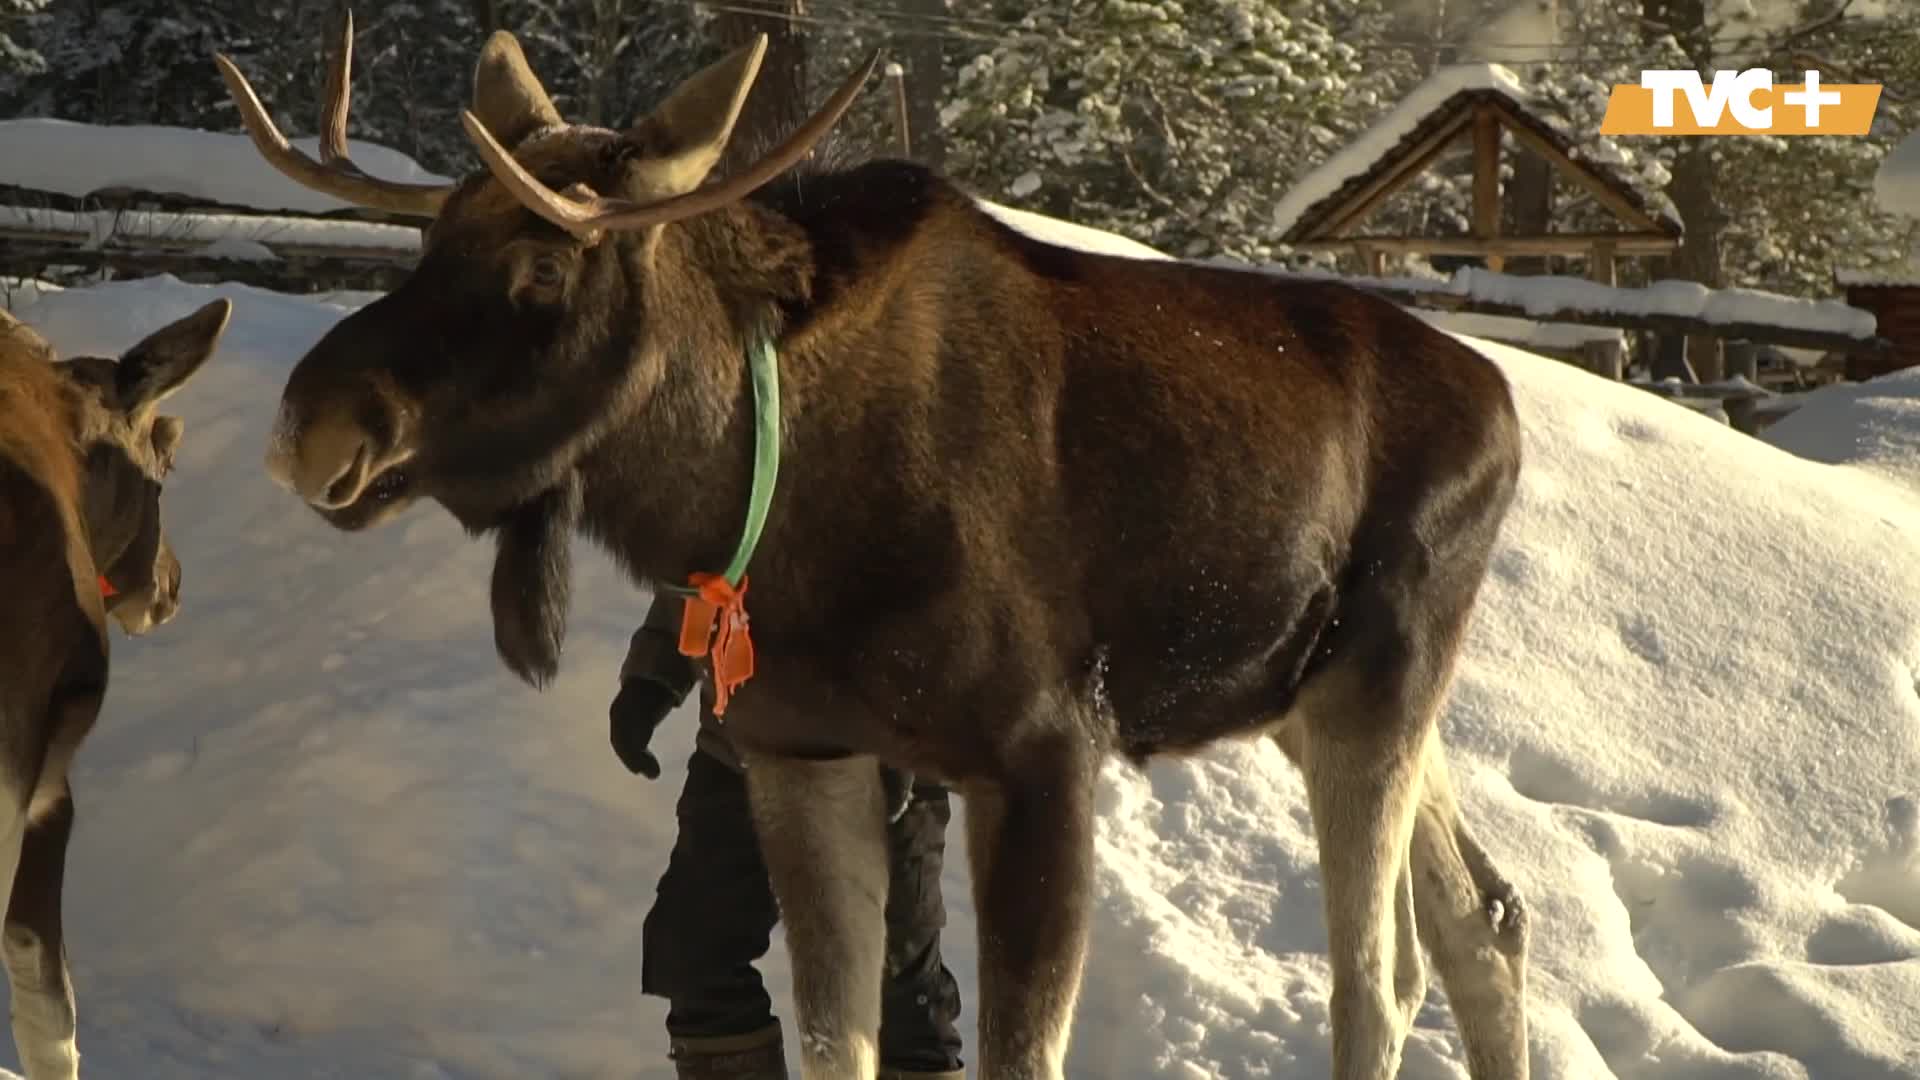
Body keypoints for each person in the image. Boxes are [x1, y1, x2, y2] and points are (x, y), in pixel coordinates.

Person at [611, 595, 965, 1080]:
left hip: (891, 753)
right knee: (696, 949)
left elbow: (950, 578)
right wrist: (655, 669)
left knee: (897, 985)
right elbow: (703, 551)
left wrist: (902, 719)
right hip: (746, 742)